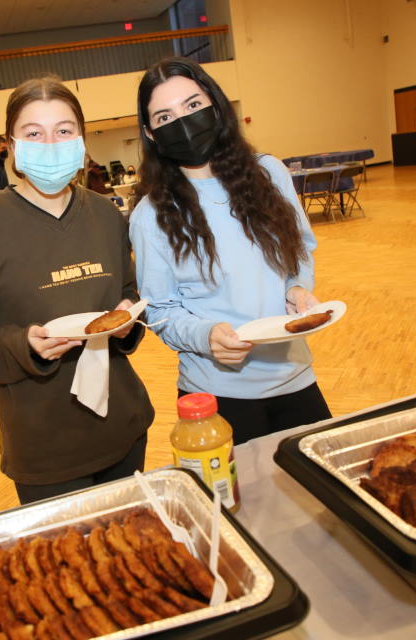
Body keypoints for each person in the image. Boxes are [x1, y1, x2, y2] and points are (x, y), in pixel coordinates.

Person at [0, 76, 154, 504]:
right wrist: (24, 345)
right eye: (33, 133)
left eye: (64, 130)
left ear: (82, 139)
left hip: (124, 426)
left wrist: (129, 321)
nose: (51, 144)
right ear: (11, 145)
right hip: (44, 444)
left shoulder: (107, 216)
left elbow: (129, 296)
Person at [128, 57, 331, 444]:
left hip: (295, 378)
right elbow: (159, 309)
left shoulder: (269, 173)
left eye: (192, 105)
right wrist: (205, 336)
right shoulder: (150, 216)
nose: (183, 122)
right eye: (164, 116)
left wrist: (296, 287)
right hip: (215, 397)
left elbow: (300, 250)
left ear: (215, 106)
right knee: (234, 504)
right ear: (151, 134)